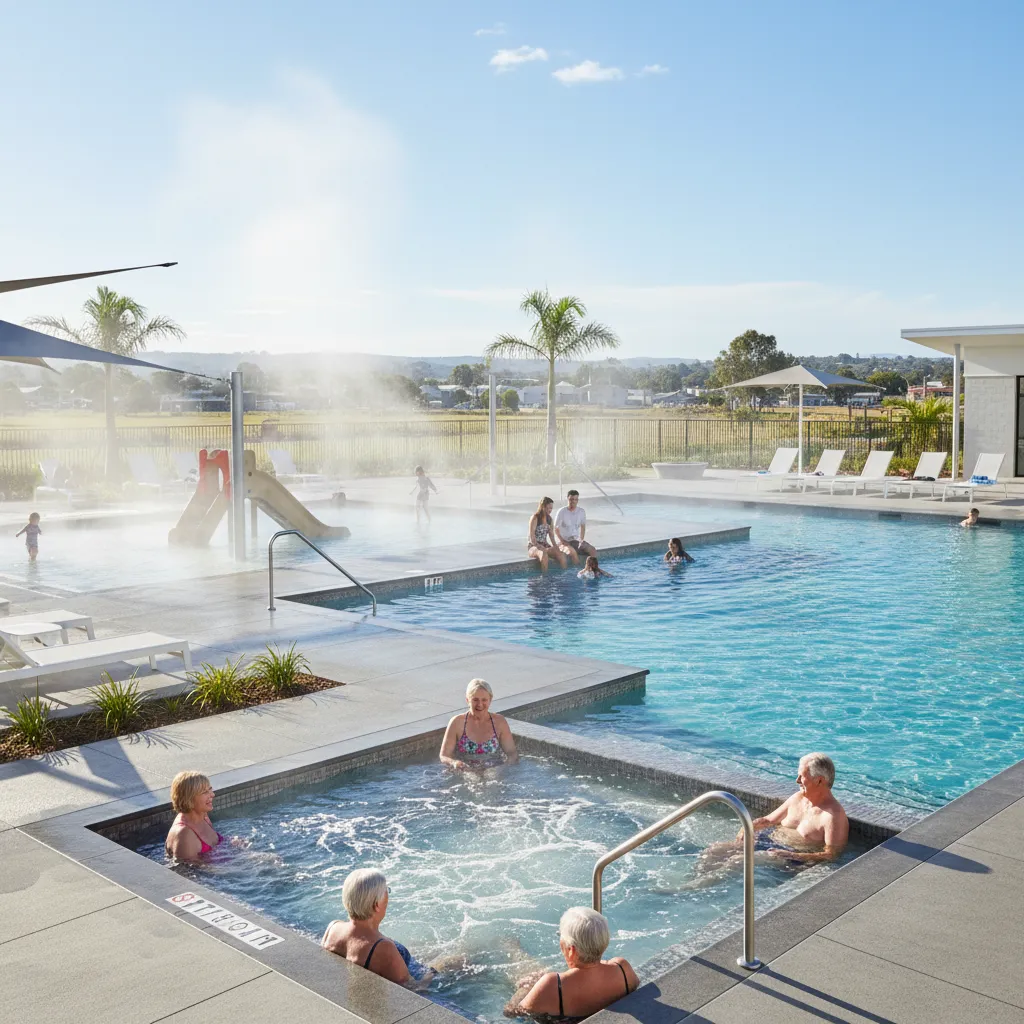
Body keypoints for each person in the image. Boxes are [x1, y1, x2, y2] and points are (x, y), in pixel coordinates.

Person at [697, 753, 849, 874]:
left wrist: (792, 856)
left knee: (737, 861)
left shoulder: (833, 816)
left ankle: (695, 888)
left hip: (789, 855)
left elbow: (832, 854)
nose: (797, 781)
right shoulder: (797, 799)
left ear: (819, 781)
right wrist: (747, 828)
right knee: (714, 850)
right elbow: (767, 820)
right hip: (766, 842)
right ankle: (692, 880)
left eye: (802, 776)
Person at [505, 907, 638, 1020]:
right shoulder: (622, 968)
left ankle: (511, 946)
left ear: (571, 950)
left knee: (528, 973)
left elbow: (511, 1013)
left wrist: (526, 989)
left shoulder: (552, 984)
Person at [322, 869, 434, 988]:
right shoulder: (384, 948)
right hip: (408, 972)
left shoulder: (333, 928)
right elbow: (413, 989)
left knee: (423, 951)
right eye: (387, 891)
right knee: (449, 962)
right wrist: (431, 974)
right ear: (376, 905)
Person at [440, 679, 519, 769]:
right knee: (471, 779)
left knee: (492, 776)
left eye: (484, 700)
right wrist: (454, 763)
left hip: (494, 771)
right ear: (467, 700)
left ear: (490, 700)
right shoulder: (457, 723)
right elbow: (444, 755)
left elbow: (512, 753)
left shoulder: (499, 722)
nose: (480, 704)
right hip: (466, 771)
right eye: (475, 700)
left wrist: (504, 768)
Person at [165, 771, 224, 861]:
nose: (212, 794)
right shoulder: (184, 834)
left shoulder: (203, 816)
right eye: (205, 792)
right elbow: (190, 871)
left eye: (210, 789)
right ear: (189, 798)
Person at [553, 490, 595, 565]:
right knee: (573, 552)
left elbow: (583, 527)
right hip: (562, 541)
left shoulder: (581, 511)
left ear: (577, 500)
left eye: (575, 499)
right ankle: (576, 572)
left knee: (592, 550)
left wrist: (581, 540)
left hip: (575, 540)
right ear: (568, 499)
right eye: (571, 499)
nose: (573, 501)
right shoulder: (562, 511)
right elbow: (555, 529)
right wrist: (562, 541)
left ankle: (592, 569)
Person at [528, 496, 566, 572]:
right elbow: (532, 537)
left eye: (551, 508)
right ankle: (544, 578)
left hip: (545, 545)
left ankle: (564, 574)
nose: (550, 510)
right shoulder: (535, 518)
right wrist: (539, 546)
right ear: (542, 507)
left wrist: (555, 547)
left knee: (560, 554)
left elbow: (552, 537)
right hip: (533, 546)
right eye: (548, 508)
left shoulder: (550, 519)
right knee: (543, 553)